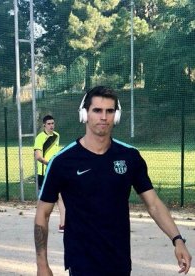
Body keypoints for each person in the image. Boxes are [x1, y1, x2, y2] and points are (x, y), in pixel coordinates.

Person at [34, 86, 192, 276]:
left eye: (110, 111)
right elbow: (43, 213)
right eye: (97, 110)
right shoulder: (62, 161)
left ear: (116, 116)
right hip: (82, 263)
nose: (104, 117)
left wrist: (177, 240)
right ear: (84, 114)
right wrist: (42, 266)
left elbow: (154, 204)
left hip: (120, 261)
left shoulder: (130, 157)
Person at [34, 115, 65, 233]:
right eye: (49, 124)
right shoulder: (40, 138)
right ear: (44, 125)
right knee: (43, 200)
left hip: (55, 172)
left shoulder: (57, 136)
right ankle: (40, 223)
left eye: (53, 123)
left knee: (61, 197)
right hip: (43, 173)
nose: (51, 125)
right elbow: (38, 156)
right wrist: (50, 163)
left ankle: (63, 225)